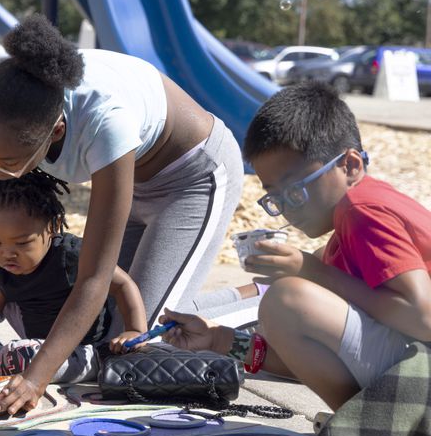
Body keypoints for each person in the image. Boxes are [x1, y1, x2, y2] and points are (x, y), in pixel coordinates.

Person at [0, 14, 243, 414]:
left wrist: (36, 377)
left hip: (191, 178)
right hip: (133, 180)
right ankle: (202, 298)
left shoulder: (104, 122)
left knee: (140, 344)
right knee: (99, 330)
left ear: (56, 133)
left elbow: (93, 276)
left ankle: (244, 310)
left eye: (5, 162)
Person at [159, 82, 431, 412]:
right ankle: (369, 429)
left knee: (288, 299)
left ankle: (368, 435)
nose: (288, 208)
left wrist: (311, 271)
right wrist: (219, 340)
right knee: (289, 303)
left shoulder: (362, 210)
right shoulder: (346, 238)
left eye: (296, 191)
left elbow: (422, 317)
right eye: (276, 197)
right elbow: (321, 358)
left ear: (350, 165)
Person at [0, 170, 148, 382]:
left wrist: (135, 330)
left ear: (53, 226)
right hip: (33, 341)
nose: (7, 253)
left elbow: (123, 284)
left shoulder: (73, 255)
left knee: (28, 361)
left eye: (23, 242)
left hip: (83, 349)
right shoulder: (2, 265)